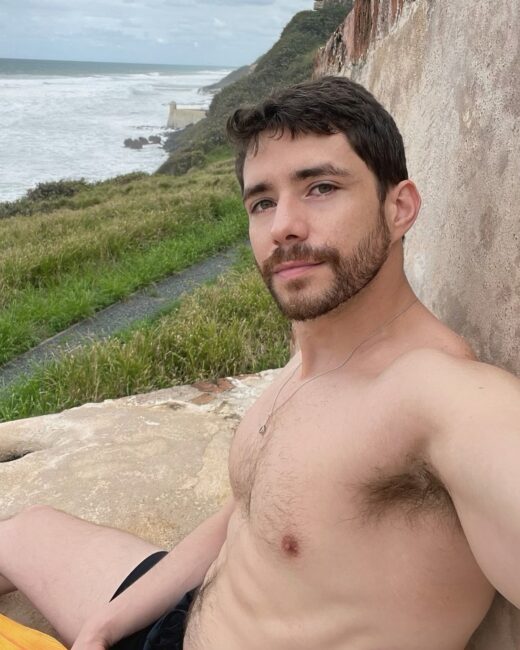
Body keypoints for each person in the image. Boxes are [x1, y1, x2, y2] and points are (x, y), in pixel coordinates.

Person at [0, 75, 519, 650]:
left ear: (399, 208)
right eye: (263, 202)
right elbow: (245, 515)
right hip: (182, 618)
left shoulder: (435, 394)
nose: (282, 226)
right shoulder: (311, 356)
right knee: (21, 532)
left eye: (321, 187)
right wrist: (103, 627)